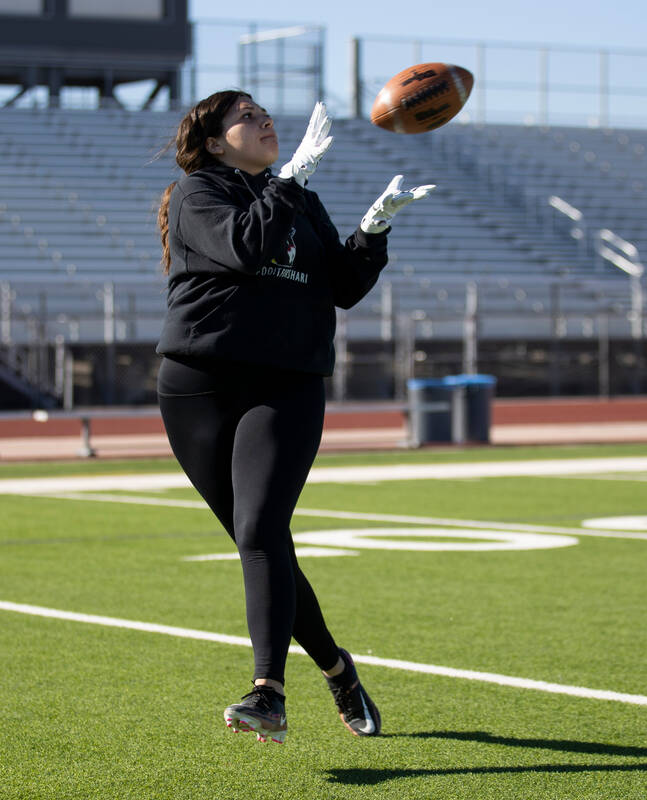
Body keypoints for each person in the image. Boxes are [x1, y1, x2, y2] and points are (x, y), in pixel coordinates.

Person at [154, 90, 434, 744]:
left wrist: (374, 229)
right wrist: (290, 181)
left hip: (286, 385)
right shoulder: (199, 192)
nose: (264, 121)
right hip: (200, 386)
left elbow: (341, 287)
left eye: (263, 112)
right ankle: (337, 668)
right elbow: (247, 247)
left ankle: (268, 694)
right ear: (216, 141)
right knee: (263, 543)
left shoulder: (298, 197)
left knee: (260, 527)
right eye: (245, 116)